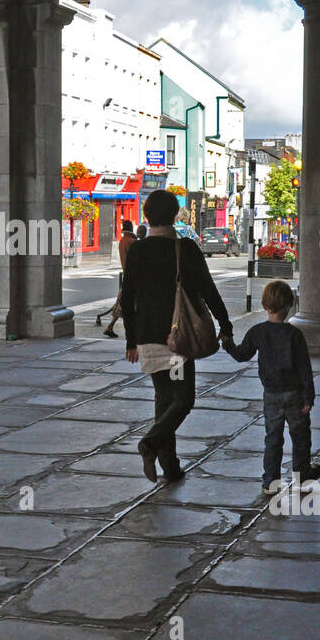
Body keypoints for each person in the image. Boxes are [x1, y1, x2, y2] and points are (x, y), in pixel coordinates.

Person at [121, 189, 232, 483]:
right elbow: (208, 290)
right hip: (176, 338)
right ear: (175, 215)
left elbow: (128, 298)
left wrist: (131, 341)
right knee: (183, 399)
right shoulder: (186, 249)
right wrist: (225, 323)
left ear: (146, 216)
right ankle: (150, 443)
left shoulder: (138, 250)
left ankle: (170, 466)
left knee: (164, 398)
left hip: (147, 336)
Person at [222, 280, 320, 495]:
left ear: (265, 306)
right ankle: (302, 476)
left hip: (271, 395)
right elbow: (305, 368)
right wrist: (308, 397)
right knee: (301, 437)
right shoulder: (295, 335)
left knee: (273, 439)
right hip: (294, 394)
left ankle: (270, 482)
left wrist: (227, 342)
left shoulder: (258, 332)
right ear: (289, 306)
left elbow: (241, 355)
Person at [97, 220, 137, 336]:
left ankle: (110, 326)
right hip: (133, 275)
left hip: (127, 274)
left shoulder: (123, 241)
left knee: (122, 301)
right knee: (126, 302)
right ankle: (111, 326)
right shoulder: (132, 242)